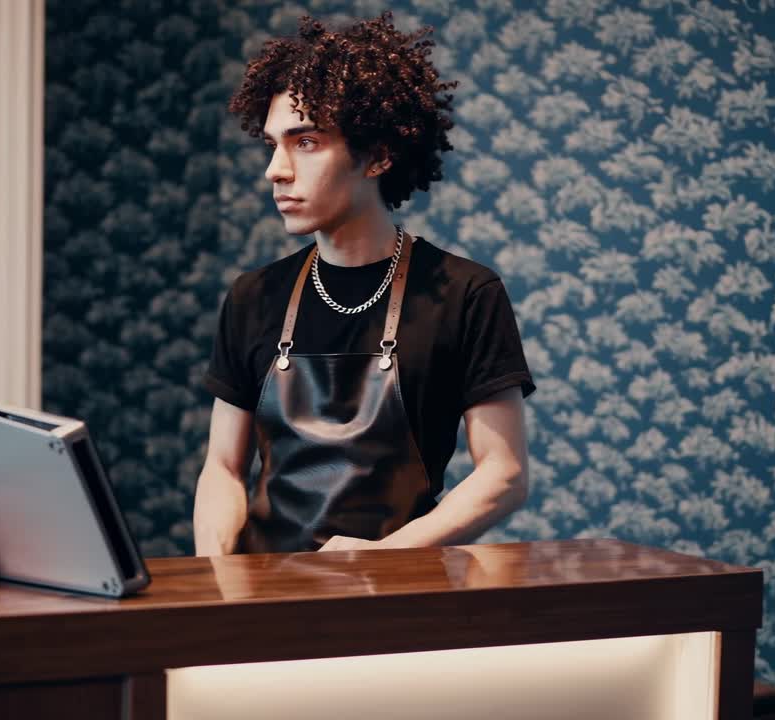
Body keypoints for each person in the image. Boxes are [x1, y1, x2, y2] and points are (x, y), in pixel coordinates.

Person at [194, 12, 534, 555]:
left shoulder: (465, 294)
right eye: (273, 145)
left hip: (397, 607)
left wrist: (383, 560)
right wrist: (216, 576)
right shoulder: (253, 297)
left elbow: (505, 476)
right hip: (262, 603)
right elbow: (223, 468)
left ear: (377, 155)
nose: (275, 170)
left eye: (304, 142)